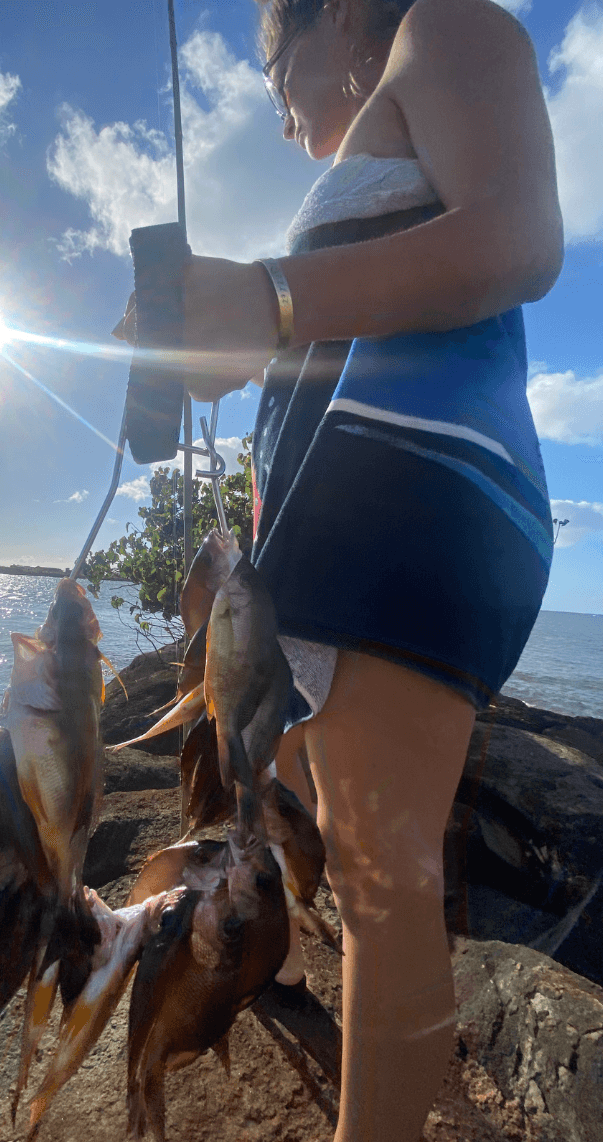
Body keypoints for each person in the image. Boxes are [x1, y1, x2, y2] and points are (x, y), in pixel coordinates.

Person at [115, 2, 562, 1140]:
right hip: (340, 527)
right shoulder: (383, 117)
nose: (274, 114)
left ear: (341, 17)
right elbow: (339, 323)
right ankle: (298, 983)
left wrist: (268, 297)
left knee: (380, 874)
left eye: (274, 71)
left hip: (416, 501)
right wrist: (235, 340)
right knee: (312, 821)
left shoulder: (447, 24)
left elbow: (516, 240)